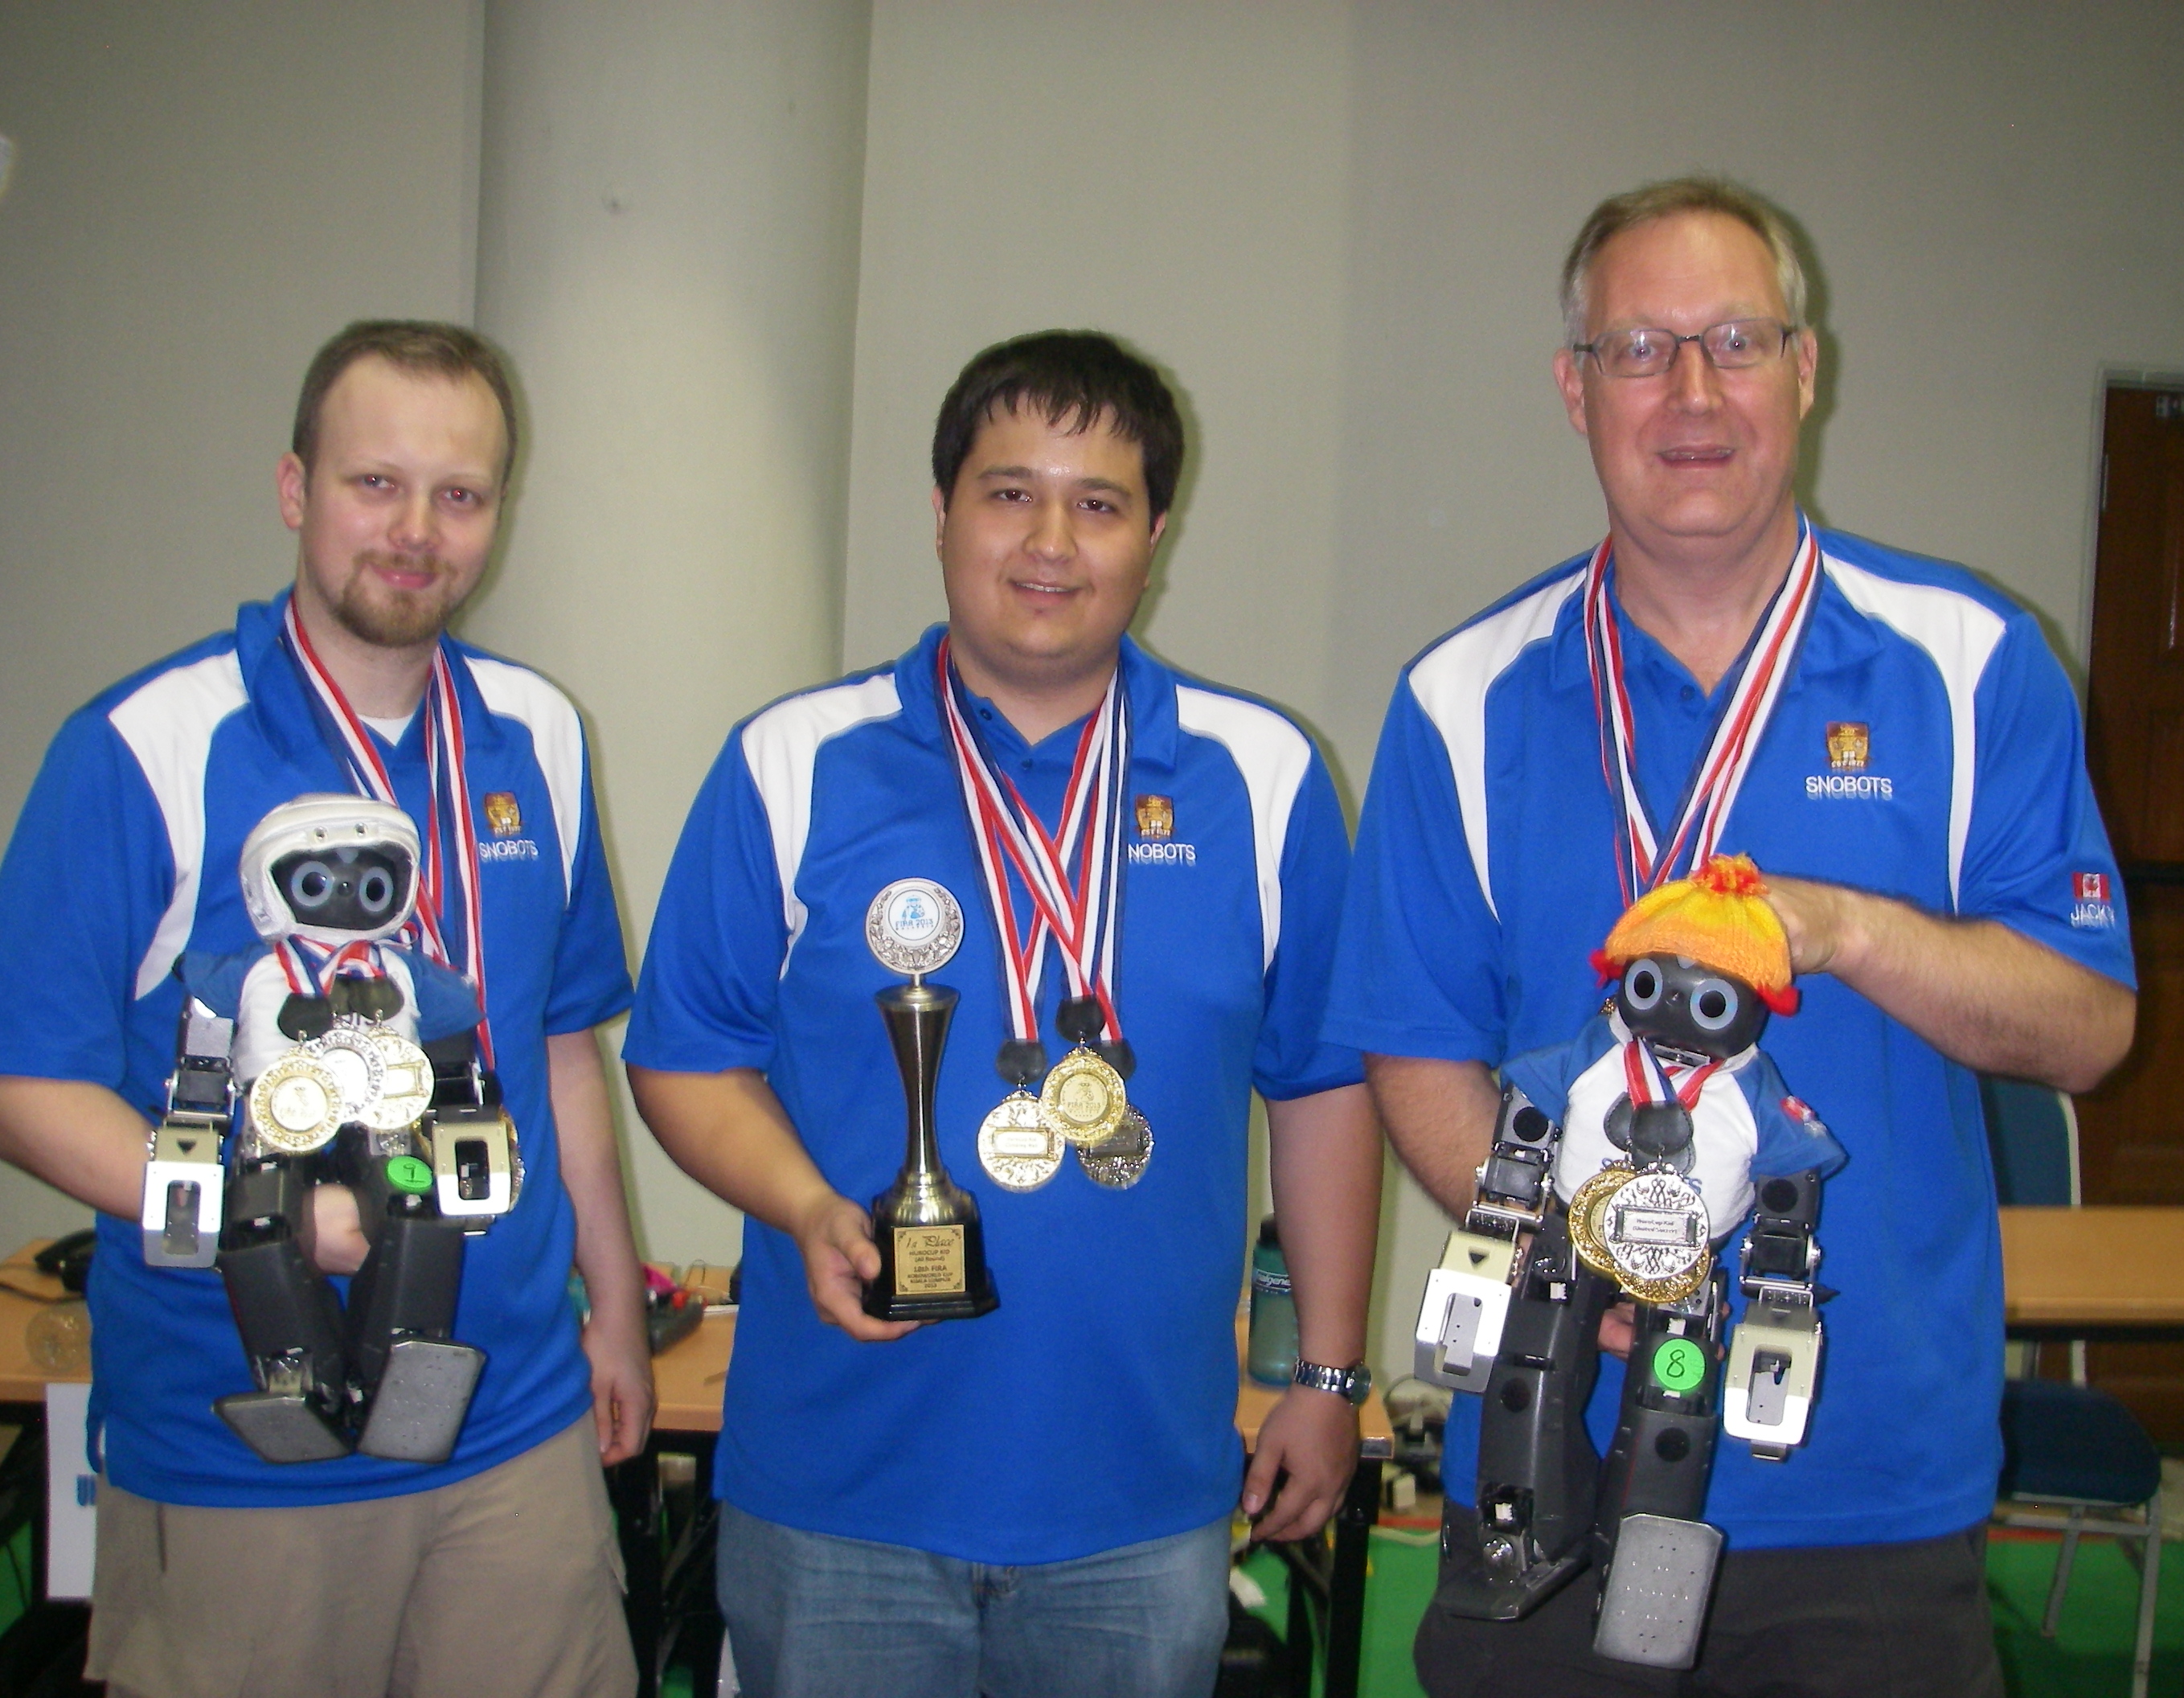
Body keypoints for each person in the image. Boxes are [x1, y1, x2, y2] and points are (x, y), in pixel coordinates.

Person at [1326, 178, 2137, 1696]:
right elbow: (1417, 1049)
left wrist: (1842, 930)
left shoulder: (1970, 665)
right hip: (1550, 1456)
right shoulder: (1463, 699)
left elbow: (2088, 1028)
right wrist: (1593, 1259)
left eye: (1736, 342)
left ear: (1805, 370)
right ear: (1575, 387)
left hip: (1869, 1484)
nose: (1692, 392)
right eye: (1640, 349)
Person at [625, 330, 1383, 1698]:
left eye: (1099, 504)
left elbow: (1323, 1087)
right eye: (1009, 492)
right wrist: (804, 1206)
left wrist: (1327, 1380)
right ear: (940, 512)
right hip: (839, 1491)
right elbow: (685, 1057)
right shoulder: (795, 762)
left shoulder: (1262, 777)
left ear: (1155, 535)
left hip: (1140, 1501)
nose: (1050, 542)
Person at [0, 321, 651, 1697]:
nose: (417, 531)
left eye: (460, 494)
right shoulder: (147, 747)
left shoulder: (537, 734)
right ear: (296, 489)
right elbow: (25, 1084)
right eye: (376, 483)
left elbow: (557, 1041)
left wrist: (612, 1305)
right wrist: (282, 1219)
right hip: (242, 1447)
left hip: (514, 1424)